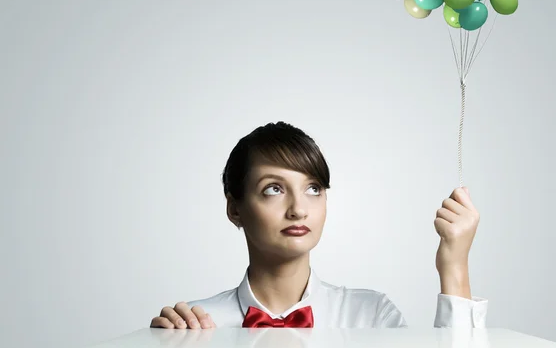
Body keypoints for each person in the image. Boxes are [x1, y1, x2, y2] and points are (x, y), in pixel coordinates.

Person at [150, 121, 488, 330]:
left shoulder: (369, 317)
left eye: (313, 189)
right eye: (273, 189)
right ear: (234, 208)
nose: (299, 209)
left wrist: (454, 267)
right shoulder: (197, 325)